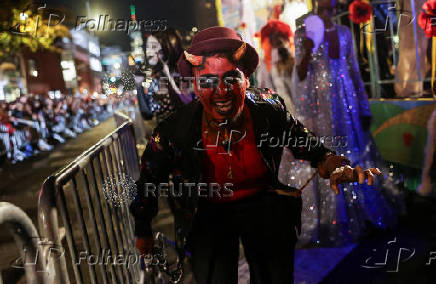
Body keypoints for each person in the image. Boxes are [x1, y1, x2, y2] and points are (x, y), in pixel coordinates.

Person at [130, 26, 382, 283]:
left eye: (230, 79)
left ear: (246, 80)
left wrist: (334, 163)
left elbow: (307, 144)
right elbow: (149, 178)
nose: (221, 91)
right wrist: (142, 229)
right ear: (195, 85)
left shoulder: (268, 110)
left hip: (262, 205)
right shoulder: (175, 129)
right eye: (207, 81)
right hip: (207, 211)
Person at [285, 0, 401, 246]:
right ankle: (335, 219)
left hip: (346, 102)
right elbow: (301, 74)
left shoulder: (345, 32)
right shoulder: (303, 32)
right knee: (329, 154)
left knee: (354, 153)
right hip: (320, 107)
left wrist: (363, 106)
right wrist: (307, 47)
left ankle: (363, 212)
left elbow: (354, 71)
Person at [256, 19, 295, 114]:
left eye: (280, 36)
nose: (278, 39)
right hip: (282, 111)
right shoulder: (265, 66)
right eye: (274, 37)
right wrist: (276, 102)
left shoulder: (293, 57)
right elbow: (264, 92)